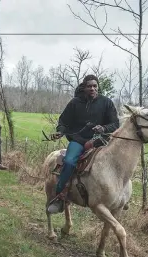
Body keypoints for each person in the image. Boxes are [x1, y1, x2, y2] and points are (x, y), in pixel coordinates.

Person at [47, 75, 120, 214]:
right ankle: (60, 197)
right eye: (89, 86)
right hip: (79, 141)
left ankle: (119, 197)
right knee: (68, 162)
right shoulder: (75, 103)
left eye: (95, 86)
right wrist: (60, 131)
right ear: (84, 87)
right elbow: (63, 121)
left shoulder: (106, 103)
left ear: (98, 87)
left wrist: (104, 128)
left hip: (101, 142)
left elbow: (115, 124)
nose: (92, 88)